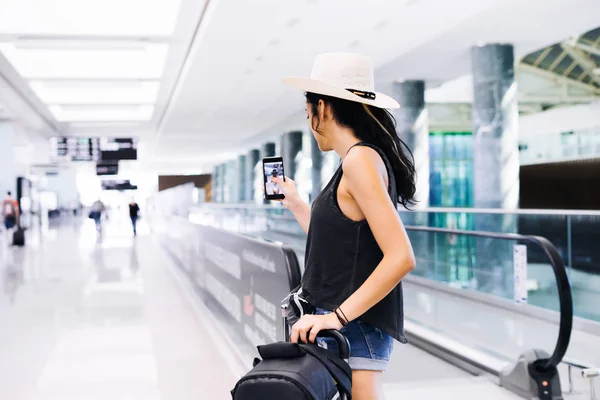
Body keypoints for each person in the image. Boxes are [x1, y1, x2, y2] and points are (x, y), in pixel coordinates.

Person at [274, 53, 417, 399]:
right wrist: (298, 205)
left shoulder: (360, 161)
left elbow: (401, 257)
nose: (309, 119)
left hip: (354, 326)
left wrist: (335, 318)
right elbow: (342, 248)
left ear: (322, 108)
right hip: (347, 321)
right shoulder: (354, 161)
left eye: (308, 111)